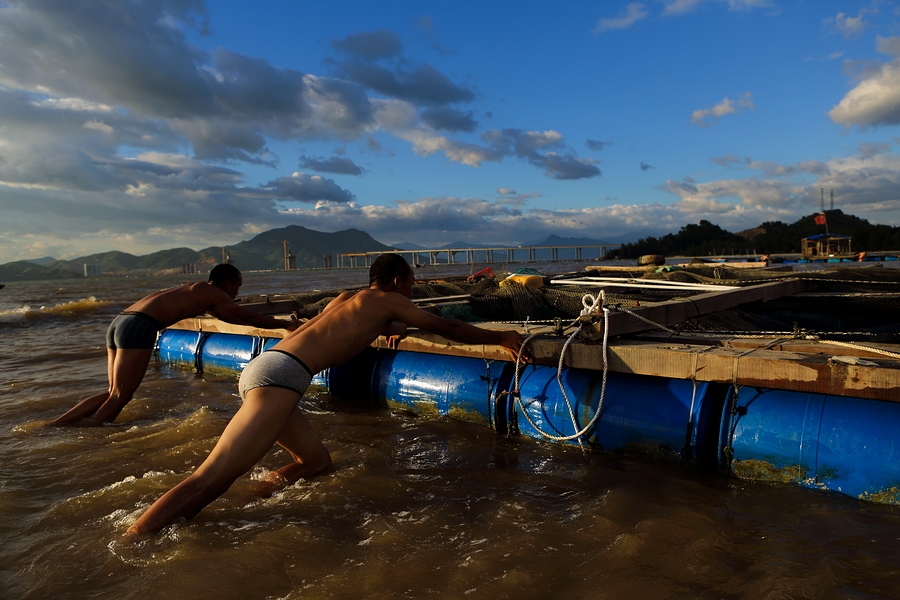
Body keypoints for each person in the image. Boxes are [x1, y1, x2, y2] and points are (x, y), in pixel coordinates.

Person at [125, 253, 527, 536]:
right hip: (281, 377)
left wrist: (389, 327)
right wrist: (503, 336)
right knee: (211, 477)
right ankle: (134, 538)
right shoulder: (389, 300)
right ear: (398, 282)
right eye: (410, 284)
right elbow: (449, 328)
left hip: (266, 365)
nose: (411, 291)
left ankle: (251, 496)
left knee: (315, 461)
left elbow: (339, 330)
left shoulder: (346, 300)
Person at [50, 264, 297, 427]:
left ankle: (56, 426)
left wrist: (262, 324)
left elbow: (228, 318)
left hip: (120, 322)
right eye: (237, 286)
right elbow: (249, 317)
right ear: (226, 282)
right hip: (140, 326)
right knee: (122, 395)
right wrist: (284, 326)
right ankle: (93, 434)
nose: (237, 291)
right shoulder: (212, 292)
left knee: (112, 391)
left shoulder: (197, 291)